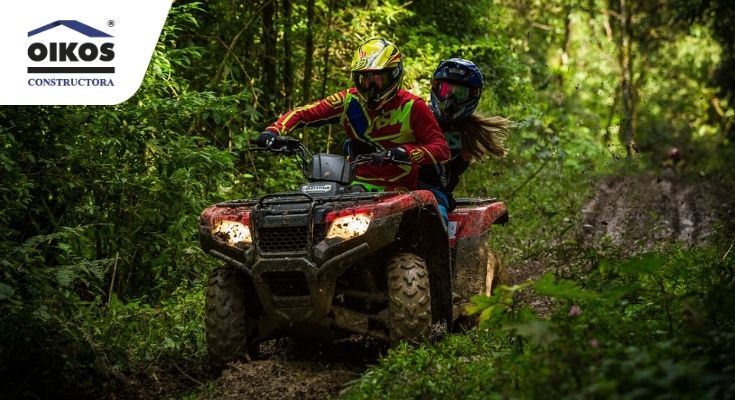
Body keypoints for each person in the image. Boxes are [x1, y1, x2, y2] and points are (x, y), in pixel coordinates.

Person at [256, 38, 449, 192]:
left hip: (398, 191)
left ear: (394, 75)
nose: (371, 87)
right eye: (365, 79)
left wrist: (405, 152)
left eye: (378, 79)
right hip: (352, 185)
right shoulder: (348, 100)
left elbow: (441, 149)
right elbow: (303, 113)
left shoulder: (412, 106)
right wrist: (273, 131)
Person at [418, 58, 511, 224]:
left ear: (472, 95)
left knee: (435, 222)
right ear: (435, 87)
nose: (450, 99)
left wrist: (443, 193)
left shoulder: (468, 132)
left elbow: (452, 176)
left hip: (434, 197)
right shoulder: (417, 116)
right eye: (446, 90)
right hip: (398, 188)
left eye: (459, 93)